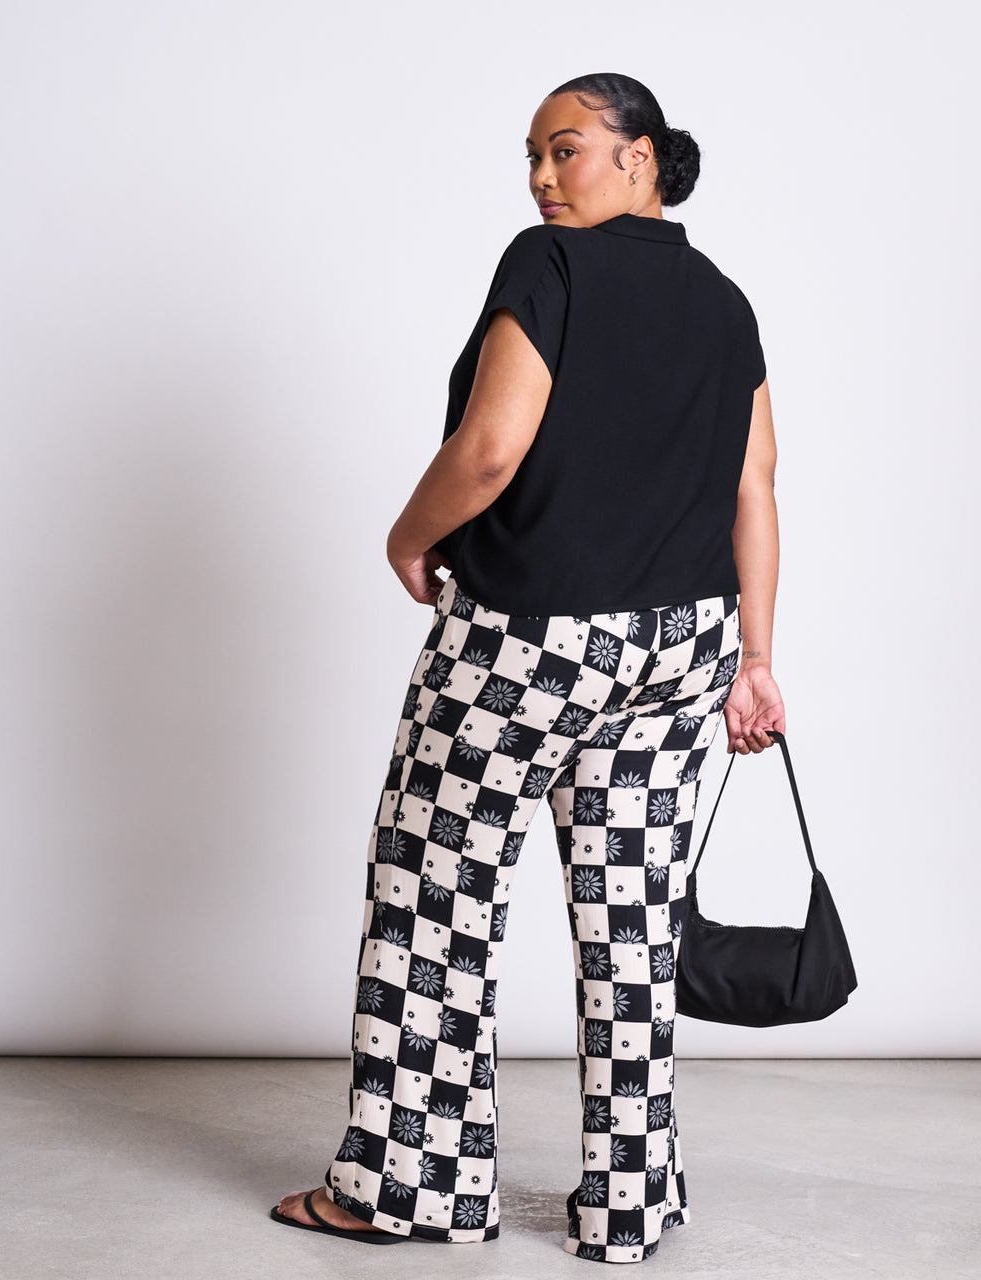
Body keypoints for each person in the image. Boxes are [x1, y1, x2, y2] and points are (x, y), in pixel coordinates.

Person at [271, 70, 785, 1264]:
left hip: (529, 640)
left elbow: (491, 446)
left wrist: (408, 538)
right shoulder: (724, 300)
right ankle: (631, 1205)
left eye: (566, 150)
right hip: (682, 644)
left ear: (640, 156)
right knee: (633, 926)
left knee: (433, 895)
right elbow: (756, 484)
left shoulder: (549, 265)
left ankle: (409, 1188)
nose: (543, 177)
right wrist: (756, 655)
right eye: (532, 158)